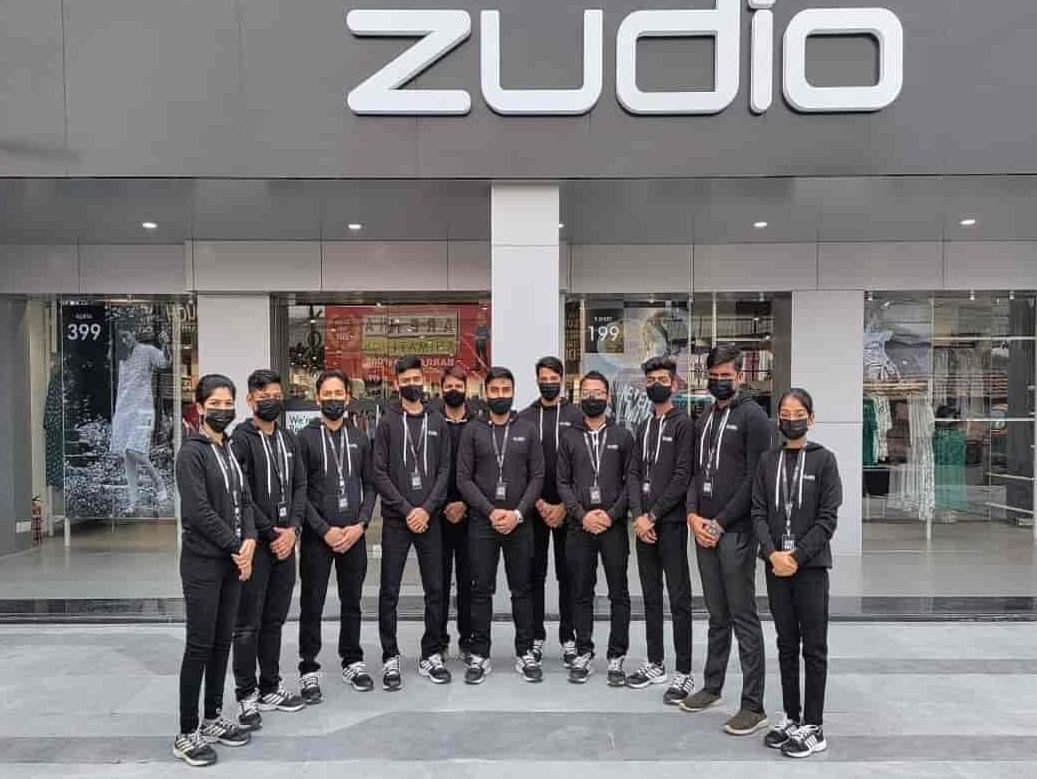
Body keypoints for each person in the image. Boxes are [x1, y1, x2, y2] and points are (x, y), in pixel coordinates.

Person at [680, 344, 773, 737]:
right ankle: (712, 686)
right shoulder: (704, 417)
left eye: (726, 376)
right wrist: (692, 516)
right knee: (716, 615)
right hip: (703, 530)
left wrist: (719, 522)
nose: (720, 381)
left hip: (735, 532)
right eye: (714, 375)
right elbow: (695, 472)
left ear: (740, 376)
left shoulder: (754, 418)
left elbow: (756, 479)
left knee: (742, 615)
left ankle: (753, 706)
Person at [754, 388, 841, 759]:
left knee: (814, 647)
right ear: (778, 418)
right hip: (776, 565)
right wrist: (772, 553)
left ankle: (814, 726)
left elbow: (827, 518)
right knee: (786, 643)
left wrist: (797, 556)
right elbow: (758, 512)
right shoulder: (767, 460)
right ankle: (791, 716)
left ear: (811, 418)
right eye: (785, 414)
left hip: (810, 568)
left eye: (799, 413)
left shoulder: (824, 461)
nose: (791, 419)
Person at [173, 375, 255, 768]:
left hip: (232, 562)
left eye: (228, 403)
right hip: (203, 562)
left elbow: (246, 501)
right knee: (200, 645)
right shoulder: (191, 453)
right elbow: (198, 511)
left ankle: (213, 717)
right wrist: (237, 546)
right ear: (200, 407)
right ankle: (187, 732)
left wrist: (250, 540)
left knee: (223, 642)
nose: (223, 409)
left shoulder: (229, 449)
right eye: (215, 404)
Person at [457, 366, 545, 685]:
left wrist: (518, 513)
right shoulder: (473, 430)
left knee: (522, 589)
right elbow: (463, 478)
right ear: (485, 393)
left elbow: (537, 476)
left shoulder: (528, 429)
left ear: (513, 391)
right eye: (494, 390)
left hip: (520, 523)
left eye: (505, 389)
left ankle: (525, 652)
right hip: (483, 523)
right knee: (481, 590)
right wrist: (491, 511)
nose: (500, 395)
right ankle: (480, 654)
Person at [230, 370, 307, 731]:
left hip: (286, 543)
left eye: (277, 395)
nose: (272, 401)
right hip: (257, 545)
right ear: (250, 400)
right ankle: (246, 695)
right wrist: (269, 530)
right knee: (248, 623)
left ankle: (270, 687)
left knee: (274, 619)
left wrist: (293, 529)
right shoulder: (240, 440)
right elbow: (241, 493)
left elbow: (301, 486)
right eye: (264, 396)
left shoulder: (288, 439)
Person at [296, 369, 378, 702]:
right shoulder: (305, 439)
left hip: (354, 534)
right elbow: (299, 491)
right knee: (312, 603)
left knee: (352, 601)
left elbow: (370, 485)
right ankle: (308, 668)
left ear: (348, 398)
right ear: (318, 398)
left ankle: (352, 660)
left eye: (338, 394)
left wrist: (361, 524)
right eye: (327, 394)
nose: (333, 400)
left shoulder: (359, 437)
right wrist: (324, 530)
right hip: (319, 536)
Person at [373, 356, 452, 689]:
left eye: (416, 378)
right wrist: (407, 509)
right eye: (405, 380)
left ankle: (431, 652)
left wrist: (427, 508)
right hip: (397, 519)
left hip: (430, 519)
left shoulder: (438, 421)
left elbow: (445, 470)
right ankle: (390, 655)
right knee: (389, 590)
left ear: (424, 379)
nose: (411, 384)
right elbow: (379, 472)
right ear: (397, 384)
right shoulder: (387, 423)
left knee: (435, 588)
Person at [557, 371, 635, 687]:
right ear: (579, 397)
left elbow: (631, 482)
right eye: (587, 393)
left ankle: (617, 656)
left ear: (608, 397)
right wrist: (581, 515)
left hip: (613, 526)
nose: (592, 398)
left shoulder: (623, 436)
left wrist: (612, 515)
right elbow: (562, 482)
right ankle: (584, 651)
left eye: (598, 393)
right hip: (580, 526)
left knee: (619, 592)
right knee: (580, 591)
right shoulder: (569, 437)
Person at [625, 356, 695, 705]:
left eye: (662, 379)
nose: (656, 385)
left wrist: (653, 515)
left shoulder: (684, 425)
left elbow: (683, 476)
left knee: (678, 598)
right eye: (651, 380)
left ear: (675, 384)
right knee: (651, 595)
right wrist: (639, 516)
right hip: (644, 525)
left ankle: (684, 671)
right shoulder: (643, 425)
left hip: (671, 523)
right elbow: (633, 472)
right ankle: (655, 662)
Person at [517, 356, 582, 667]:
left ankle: (569, 637)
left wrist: (566, 506)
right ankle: (536, 636)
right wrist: (539, 503)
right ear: (536, 380)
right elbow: (520, 466)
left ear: (562, 379)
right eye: (543, 378)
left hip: (568, 510)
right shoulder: (525, 417)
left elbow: (584, 465)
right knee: (534, 575)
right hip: (535, 509)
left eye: (553, 378)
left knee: (568, 575)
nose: (548, 383)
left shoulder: (577, 416)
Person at [431, 364, 478, 663]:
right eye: (448, 386)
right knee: (438, 582)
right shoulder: (432, 421)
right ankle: (438, 640)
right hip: (437, 514)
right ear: (441, 389)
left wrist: (466, 504)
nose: (453, 391)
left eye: (458, 386)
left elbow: (484, 468)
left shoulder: (478, 422)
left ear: (466, 388)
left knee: (468, 581)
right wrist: (443, 505)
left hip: (470, 514)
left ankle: (468, 640)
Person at [110, 319, 171, 513]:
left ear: (134, 333)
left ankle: (159, 483)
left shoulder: (147, 351)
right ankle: (133, 501)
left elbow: (165, 362)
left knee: (136, 451)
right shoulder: (120, 357)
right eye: (121, 338)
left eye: (126, 336)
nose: (124, 341)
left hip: (143, 410)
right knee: (127, 456)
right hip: (123, 411)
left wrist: (166, 345)